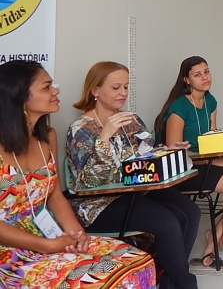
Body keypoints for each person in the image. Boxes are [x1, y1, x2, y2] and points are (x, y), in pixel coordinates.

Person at [0, 60, 157, 289]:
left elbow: (54, 196)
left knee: (138, 261)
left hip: (48, 234)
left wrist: (77, 234)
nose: (56, 91)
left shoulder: (47, 137)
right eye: (46, 87)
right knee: (99, 280)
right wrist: (47, 246)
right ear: (19, 97)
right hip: (9, 251)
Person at [65, 61, 201, 289]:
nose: (123, 93)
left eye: (126, 87)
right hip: (99, 203)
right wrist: (104, 137)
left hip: (136, 189)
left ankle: (169, 279)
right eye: (116, 87)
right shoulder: (81, 129)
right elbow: (89, 181)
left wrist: (167, 150)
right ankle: (185, 284)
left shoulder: (131, 120)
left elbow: (145, 155)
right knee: (167, 222)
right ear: (95, 90)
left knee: (190, 212)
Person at [154, 56, 223, 266]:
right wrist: (212, 162)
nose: (205, 77)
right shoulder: (179, 108)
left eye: (207, 71)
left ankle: (214, 238)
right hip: (185, 170)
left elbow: (213, 138)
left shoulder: (210, 101)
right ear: (186, 80)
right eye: (197, 74)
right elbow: (173, 154)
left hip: (207, 162)